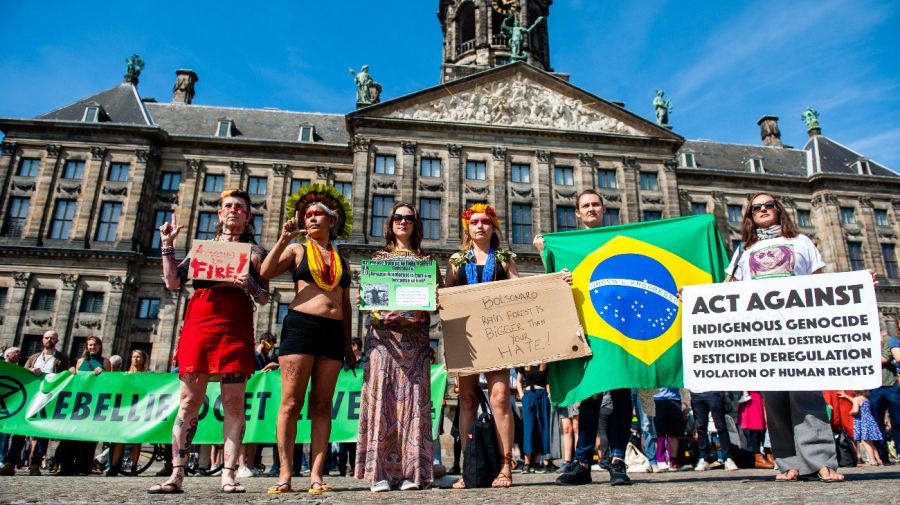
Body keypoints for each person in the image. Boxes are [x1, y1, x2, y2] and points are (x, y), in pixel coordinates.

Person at [724, 191, 876, 482]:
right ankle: (787, 463)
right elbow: (725, 290)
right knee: (775, 401)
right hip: (762, 333)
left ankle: (820, 461)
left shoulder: (800, 242)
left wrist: (858, 285)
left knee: (806, 397)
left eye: (769, 205)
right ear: (750, 216)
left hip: (799, 331)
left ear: (780, 210)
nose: (763, 210)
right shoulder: (743, 251)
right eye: (757, 207)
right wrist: (693, 298)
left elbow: (821, 284)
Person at [149, 188, 270, 494]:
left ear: (248, 216)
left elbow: (266, 297)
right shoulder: (202, 249)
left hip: (235, 328)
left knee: (233, 402)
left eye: (240, 207)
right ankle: (176, 474)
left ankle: (228, 474)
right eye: (228, 206)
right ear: (219, 214)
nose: (233, 210)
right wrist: (166, 245)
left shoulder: (256, 252)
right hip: (200, 325)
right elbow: (173, 282)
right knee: (189, 402)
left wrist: (251, 285)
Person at [259, 184, 355, 494]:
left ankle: (316, 475)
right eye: (308, 215)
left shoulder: (341, 258)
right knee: (290, 403)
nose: (311, 218)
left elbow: (346, 303)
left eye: (318, 215)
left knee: (322, 406)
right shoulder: (297, 248)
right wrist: (284, 238)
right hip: (301, 327)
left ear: (331, 220)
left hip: (332, 333)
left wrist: (347, 342)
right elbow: (265, 271)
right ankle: (285, 474)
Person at [537, 190, 633, 487]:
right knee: (589, 398)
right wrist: (548, 259)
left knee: (620, 396)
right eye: (585, 206)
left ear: (604, 209)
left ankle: (618, 460)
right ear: (577, 214)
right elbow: (555, 291)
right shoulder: (568, 249)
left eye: (595, 204)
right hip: (587, 330)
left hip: (619, 329)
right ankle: (582, 463)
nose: (591, 209)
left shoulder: (622, 241)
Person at [355, 202, 438, 492]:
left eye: (409, 218)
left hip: (414, 342)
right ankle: (378, 473)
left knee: (413, 404)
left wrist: (428, 307)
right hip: (383, 340)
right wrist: (372, 307)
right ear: (390, 223)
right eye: (397, 217)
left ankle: (411, 474)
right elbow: (369, 302)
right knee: (382, 400)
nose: (402, 222)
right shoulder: (376, 258)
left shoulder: (427, 261)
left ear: (416, 224)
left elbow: (433, 305)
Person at [446, 203, 519, 489]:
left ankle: (505, 466)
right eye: (474, 221)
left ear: (493, 226)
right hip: (466, 339)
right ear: (468, 227)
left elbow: (523, 293)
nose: (480, 226)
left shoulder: (504, 258)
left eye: (485, 221)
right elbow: (446, 297)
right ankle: (470, 468)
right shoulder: (456, 261)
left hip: (497, 335)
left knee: (500, 397)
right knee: (466, 401)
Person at [55, 336, 111, 476]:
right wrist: (71, 372)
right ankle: (66, 467)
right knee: (70, 435)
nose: (92, 348)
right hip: (78, 402)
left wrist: (104, 374)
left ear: (100, 346)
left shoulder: (105, 362)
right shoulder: (80, 361)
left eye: (95, 345)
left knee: (88, 436)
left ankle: (83, 467)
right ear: (86, 347)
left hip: (94, 404)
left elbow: (111, 382)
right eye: (90, 345)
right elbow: (75, 381)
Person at [107, 350, 150, 476]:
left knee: (137, 440)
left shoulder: (147, 376)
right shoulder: (125, 374)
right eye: (133, 357)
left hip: (140, 409)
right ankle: (113, 467)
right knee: (120, 438)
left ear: (143, 359)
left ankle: (134, 467)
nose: (135, 359)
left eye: (138, 357)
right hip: (125, 409)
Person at [869, 332, 900, 463]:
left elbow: (885, 358)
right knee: (876, 422)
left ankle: (899, 451)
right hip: (874, 386)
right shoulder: (866, 339)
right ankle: (883, 456)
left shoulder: (888, 340)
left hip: (890, 384)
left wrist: (866, 355)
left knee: (897, 421)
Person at [516, 364, 552, 473]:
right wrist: (521, 395)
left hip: (542, 395)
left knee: (543, 428)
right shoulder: (525, 363)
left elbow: (548, 382)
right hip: (528, 395)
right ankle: (527, 463)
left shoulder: (545, 365)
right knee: (528, 429)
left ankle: (537, 463)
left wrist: (548, 395)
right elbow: (518, 381)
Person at [691, 389, 737, 471]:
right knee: (700, 426)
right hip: (696, 392)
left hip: (714, 391)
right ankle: (703, 458)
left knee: (720, 425)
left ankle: (727, 458)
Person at [840, 390, 883, 465]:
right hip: (870, 421)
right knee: (871, 443)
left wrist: (850, 412)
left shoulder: (857, 399)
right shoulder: (865, 399)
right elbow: (854, 400)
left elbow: (855, 410)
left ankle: (872, 460)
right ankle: (879, 460)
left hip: (863, 422)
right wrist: (846, 396)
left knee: (865, 442)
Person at [737, 391, 774, 469]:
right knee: (755, 426)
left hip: (761, 395)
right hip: (752, 396)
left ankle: (768, 453)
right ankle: (758, 457)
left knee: (765, 426)